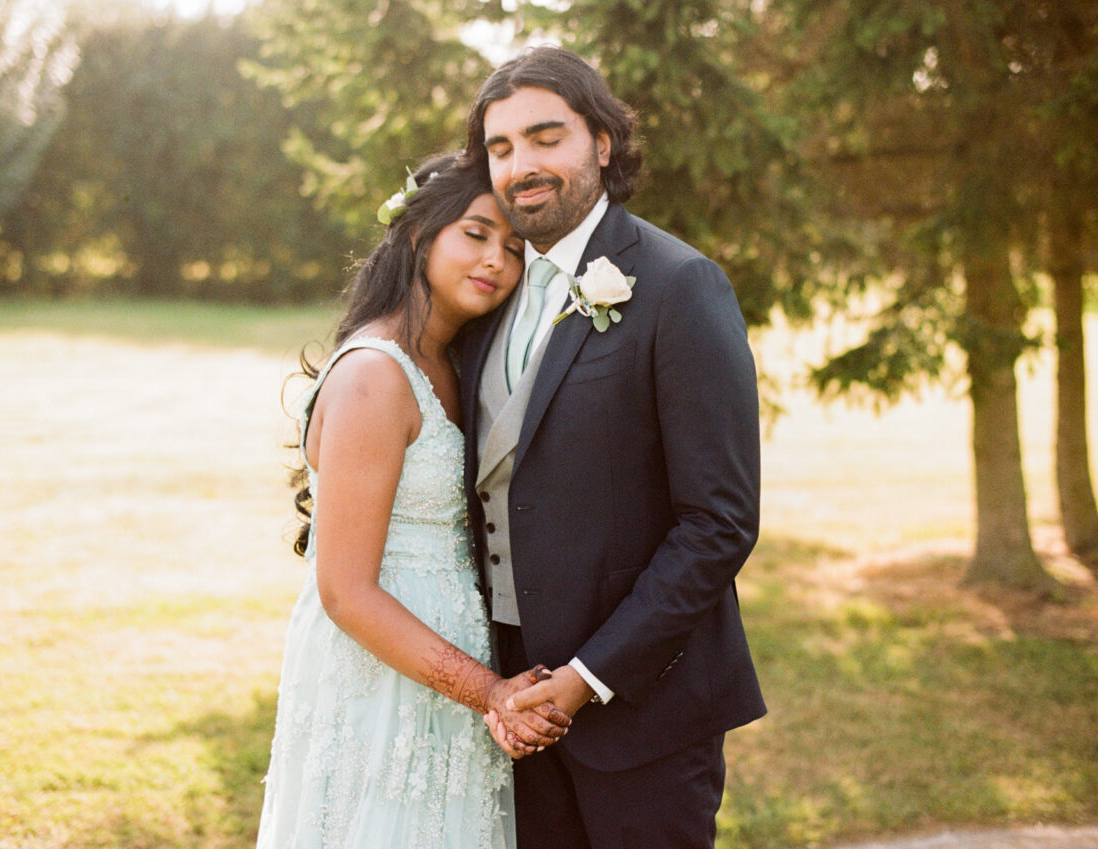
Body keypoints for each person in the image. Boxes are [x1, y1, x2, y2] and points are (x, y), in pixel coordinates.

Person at [459, 47, 767, 848]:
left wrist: (586, 679)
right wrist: (504, 686)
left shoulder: (678, 284)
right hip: (512, 706)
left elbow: (720, 522)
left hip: (644, 712)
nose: (521, 165)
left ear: (601, 141)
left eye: (544, 137)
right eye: (500, 148)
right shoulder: (485, 296)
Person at [256, 152, 570, 849]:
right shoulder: (375, 375)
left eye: (515, 248)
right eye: (477, 233)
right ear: (417, 235)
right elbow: (344, 589)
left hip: (448, 663)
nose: (496, 259)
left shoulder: (455, 363)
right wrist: (488, 691)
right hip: (382, 676)